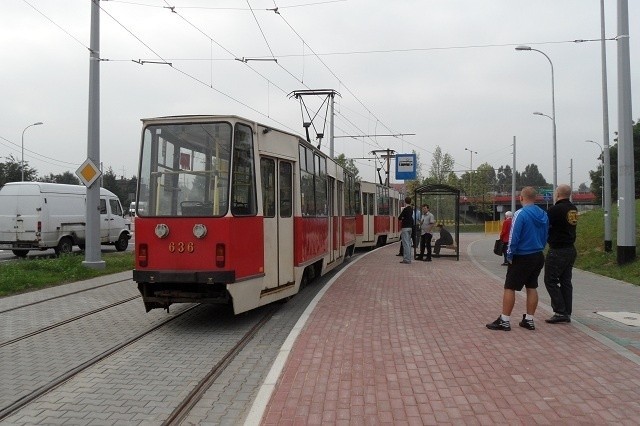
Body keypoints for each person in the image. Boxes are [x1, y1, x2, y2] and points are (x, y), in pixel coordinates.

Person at [486, 186, 548, 331]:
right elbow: (546, 235)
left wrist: (509, 254)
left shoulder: (520, 214)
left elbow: (514, 237)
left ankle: (505, 320)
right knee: (532, 286)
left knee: (510, 286)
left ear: (521, 197)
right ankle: (529, 319)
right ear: (535, 198)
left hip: (522, 255)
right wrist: (540, 246)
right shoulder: (543, 214)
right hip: (538, 254)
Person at [544, 184, 578, 324]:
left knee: (550, 280)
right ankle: (566, 311)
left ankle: (560, 311)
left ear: (557, 193)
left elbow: (544, 225)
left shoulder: (555, 209)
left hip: (558, 250)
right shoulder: (572, 209)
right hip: (570, 249)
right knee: (565, 281)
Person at [397, 197, 414, 264]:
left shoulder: (405, 209)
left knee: (405, 244)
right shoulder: (411, 209)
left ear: (405, 202)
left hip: (405, 228)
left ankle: (406, 259)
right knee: (409, 243)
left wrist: (403, 218)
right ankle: (408, 258)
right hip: (410, 228)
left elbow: (399, 217)